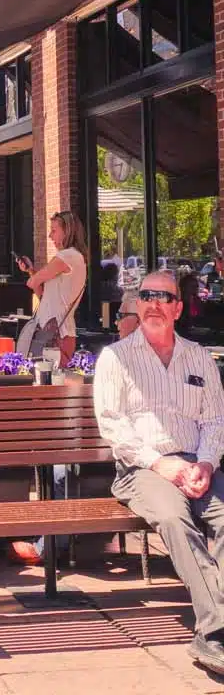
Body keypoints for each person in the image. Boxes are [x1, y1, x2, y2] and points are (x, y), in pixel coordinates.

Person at [94, 270, 224, 677]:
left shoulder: (198, 356)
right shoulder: (116, 358)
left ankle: (211, 630)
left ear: (178, 308)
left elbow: (215, 420)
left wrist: (204, 463)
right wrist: (161, 463)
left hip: (197, 464)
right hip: (143, 468)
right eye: (145, 296)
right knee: (174, 519)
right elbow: (113, 425)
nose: (153, 303)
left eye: (162, 297)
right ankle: (215, 632)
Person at [9, 289, 141, 565]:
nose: (116, 322)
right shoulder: (117, 355)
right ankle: (50, 537)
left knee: (59, 469)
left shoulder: (128, 360)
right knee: (57, 465)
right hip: (104, 449)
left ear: (139, 320)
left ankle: (51, 546)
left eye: (121, 316)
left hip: (120, 455)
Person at [18, 210, 88, 367]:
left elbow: (32, 282)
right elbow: (43, 295)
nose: (50, 236)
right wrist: (30, 270)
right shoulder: (74, 257)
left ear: (67, 231)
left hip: (56, 334)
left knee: (50, 382)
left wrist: (32, 275)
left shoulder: (67, 256)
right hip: (56, 331)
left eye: (54, 230)